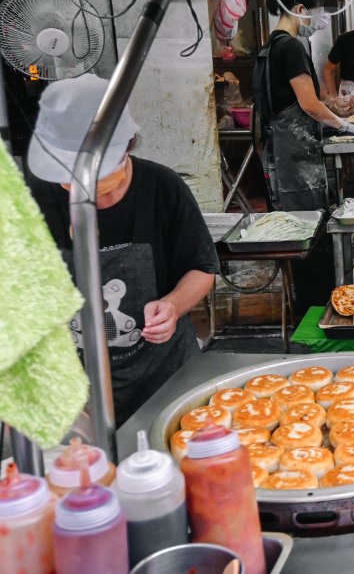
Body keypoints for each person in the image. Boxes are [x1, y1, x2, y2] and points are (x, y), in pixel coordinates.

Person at [26, 74, 218, 424]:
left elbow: (201, 268)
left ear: (127, 147)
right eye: (74, 185)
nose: (89, 201)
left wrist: (173, 306)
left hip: (165, 376)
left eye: (105, 190)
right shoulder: (31, 199)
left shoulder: (162, 188)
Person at [255, 0, 354, 212]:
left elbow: (297, 95)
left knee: (292, 217)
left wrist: (332, 102)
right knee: (306, 218)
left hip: (281, 148)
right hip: (296, 154)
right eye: (317, 14)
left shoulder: (272, 44)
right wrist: (347, 126)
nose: (319, 21)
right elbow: (309, 104)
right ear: (300, 10)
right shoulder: (291, 46)